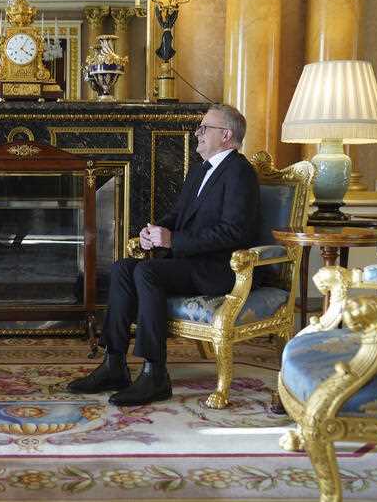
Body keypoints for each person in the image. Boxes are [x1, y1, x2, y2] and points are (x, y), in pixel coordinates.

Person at [67, 104, 260, 406]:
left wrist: (173, 240)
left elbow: (234, 233)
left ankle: (155, 374)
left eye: (204, 128)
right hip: (187, 262)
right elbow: (178, 215)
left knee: (147, 272)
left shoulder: (240, 172)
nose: (198, 133)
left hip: (217, 268)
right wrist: (155, 231)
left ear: (226, 135)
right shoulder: (200, 170)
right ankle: (114, 363)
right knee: (122, 268)